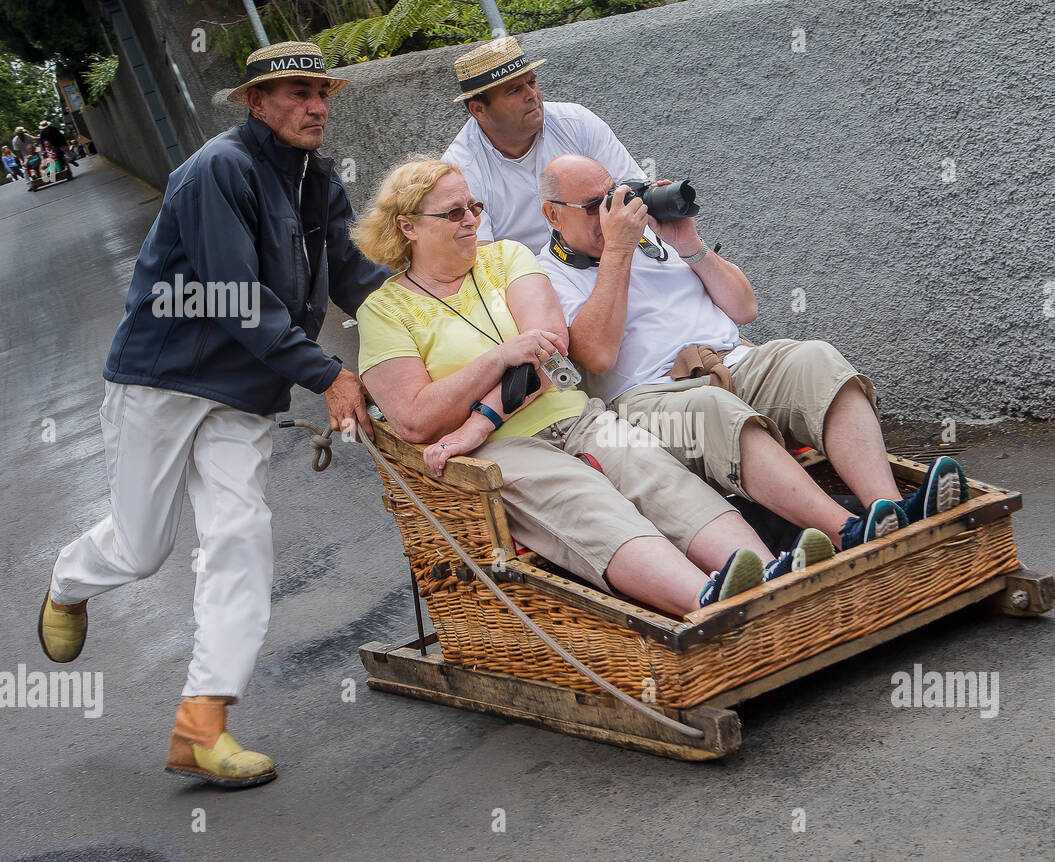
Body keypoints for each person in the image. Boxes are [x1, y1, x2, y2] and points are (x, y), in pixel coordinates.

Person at [39, 41, 390, 789]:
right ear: (255, 103)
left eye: (320, 92)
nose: (315, 106)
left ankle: (202, 725)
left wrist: (436, 319)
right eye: (295, 92)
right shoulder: (216, 171)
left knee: (240, 535)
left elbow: (355, 277)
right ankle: (69, 579)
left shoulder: (317, 177)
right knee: (142, 550)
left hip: (244, 396)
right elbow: (236, 300)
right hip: (163, 379)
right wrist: (328, 373)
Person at [352, 158, 837, 618]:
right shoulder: (384, 311)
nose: (471, 221)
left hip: (572, 415)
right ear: (408, 226)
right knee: (585, 499)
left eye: (474, 207)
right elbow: (415, 417)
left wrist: (479, 418)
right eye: (454, 212)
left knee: (652, 471)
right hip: (505, 447)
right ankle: (710, 600)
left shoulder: (505, 259)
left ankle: (772, 574)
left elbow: (551, 353)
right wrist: (500, 358)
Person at [537, 155, 973, 554]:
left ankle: (892, 509)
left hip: (732, 359)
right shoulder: (547, 274)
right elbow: (595, 357)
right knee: (712, 407)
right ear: (552, 213)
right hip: (649, 399)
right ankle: (849, 531)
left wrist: (689, 245)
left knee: (814, 359)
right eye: (593, 206)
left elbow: (745, 308)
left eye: (612, 198)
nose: (610, 213)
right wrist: (618, 251)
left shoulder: (653, 239)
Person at [442, 35, 643, 252]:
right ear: (478, 109)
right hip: (529, 279)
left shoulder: (576, 121)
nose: (532, 95)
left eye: (531, 82)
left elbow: (634, 189)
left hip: (607, 249)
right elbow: (481, 258)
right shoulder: (458, 170)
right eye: (514, 90)